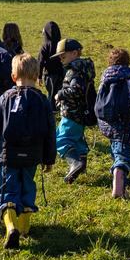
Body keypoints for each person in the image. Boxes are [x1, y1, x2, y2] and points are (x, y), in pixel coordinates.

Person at [0, 53, 56, 250]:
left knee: (8, 190)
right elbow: (50, 131)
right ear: (37, 76)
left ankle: (10, 226)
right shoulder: (42, 100)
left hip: (8, 155)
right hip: (33, 156)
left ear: (13, 76)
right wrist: (49, 158)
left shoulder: (5, 98)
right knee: (27, 186)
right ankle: (24, 227)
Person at [94, 48, 130, 199]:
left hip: (106, 123)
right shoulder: (129, 78)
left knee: (115, 147)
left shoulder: (105, 78)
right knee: (122, 155)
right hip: (124, 123)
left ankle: (120, 176)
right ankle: (118, 181)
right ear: (127, 62)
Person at [52, 38, 95, 183]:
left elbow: (76, 90)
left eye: (63, 56)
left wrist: (60, 94)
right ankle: (81, 163)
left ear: (75, 53)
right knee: (76, 138)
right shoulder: (83, 69)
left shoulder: (74, 70)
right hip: (80, 112)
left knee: (61, 139)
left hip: (72, 113)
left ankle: (75, 163)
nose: (60, 59)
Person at [37, 21, 65, 99]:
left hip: (49, 75)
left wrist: (39, 76)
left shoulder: (45, 46)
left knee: (51, 94)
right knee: (59, 92)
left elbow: (40, 62)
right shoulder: (61, 45)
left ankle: (51, 106)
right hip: (61, 73)